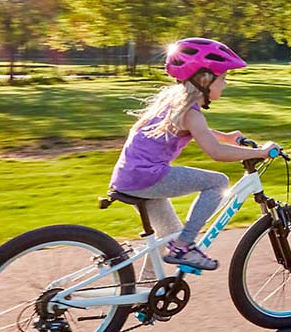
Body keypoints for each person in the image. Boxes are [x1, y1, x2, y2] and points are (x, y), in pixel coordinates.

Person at [109, 37, 278, 270]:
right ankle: (184, 247)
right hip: (147, 177)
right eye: (223, 78)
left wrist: (225, 136)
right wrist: (261, 153)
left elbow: (199, 132)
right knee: (217, 182)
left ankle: (143, 296)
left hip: (131, 177)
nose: (226, 84)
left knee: (167, 235)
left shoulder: (174, 102)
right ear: (204, 79)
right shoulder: (191, 113)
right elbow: (215, 152)